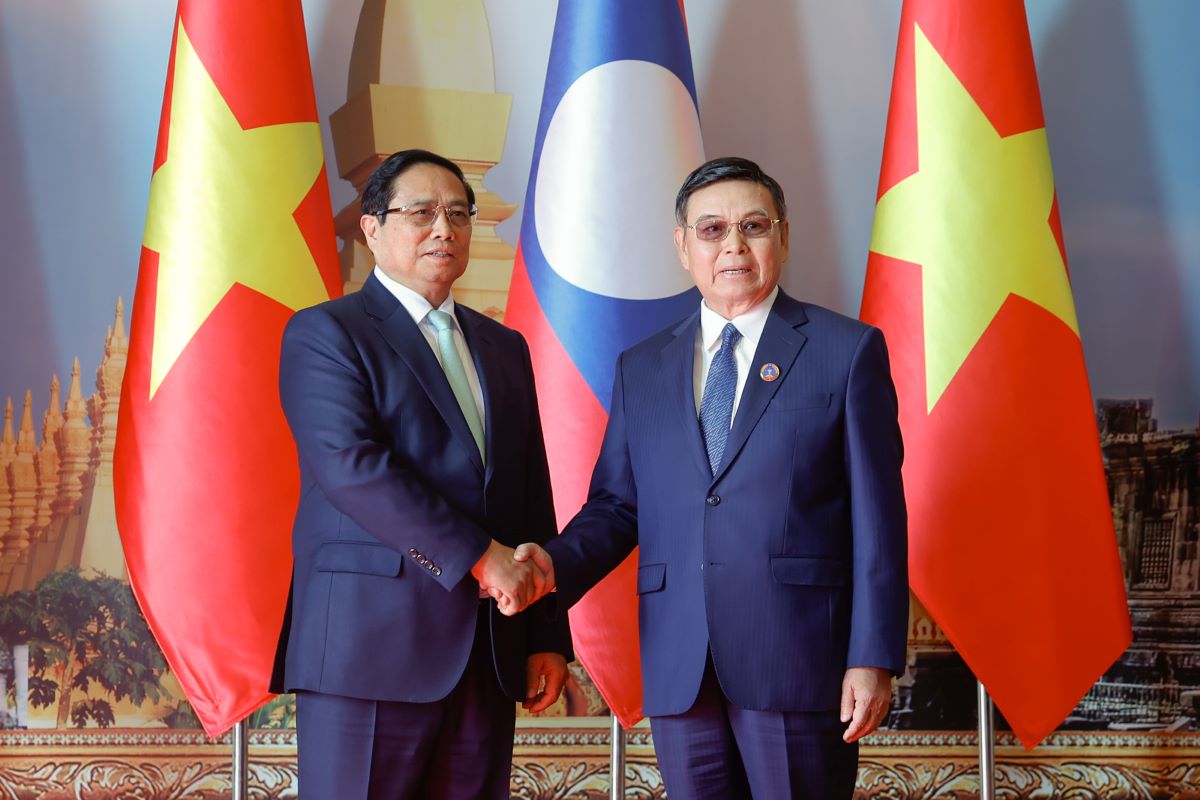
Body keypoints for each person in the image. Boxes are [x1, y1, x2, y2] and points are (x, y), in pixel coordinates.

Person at [510, 156, 908, 798]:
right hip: (680, 664)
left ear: (783, 237)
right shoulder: (642, 367)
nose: (734, 246)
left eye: (754, 226)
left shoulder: (846, 351)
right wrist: (551, 567)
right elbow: (617, 506)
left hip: (799, 661)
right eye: (712, 229)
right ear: (682, 245)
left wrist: (872, 655)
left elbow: (879, 520)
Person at [270, 149, 572, 799]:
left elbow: (529, 492)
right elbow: (353, 469)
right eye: (422, 213)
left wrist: (546, 634)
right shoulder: (327, 333)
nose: (445, 228)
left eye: (459, 213)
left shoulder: (504, 348)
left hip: (487, 653)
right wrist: (481, 558)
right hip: (369, 651)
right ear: (372, 229)